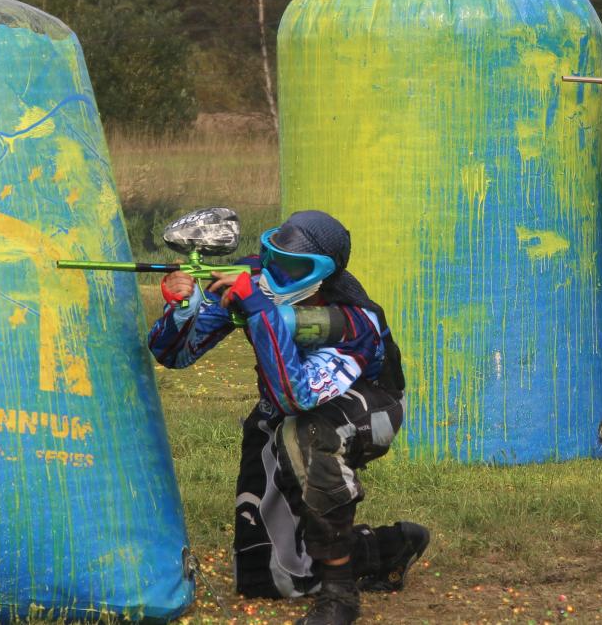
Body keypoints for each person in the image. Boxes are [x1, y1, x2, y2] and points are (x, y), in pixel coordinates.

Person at [147, 210, 429, 625]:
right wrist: (184, 305)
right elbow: (173, 354)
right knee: (270, 577)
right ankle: (387, 547)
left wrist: (258, 309)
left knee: (309, 434)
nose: (276, 271)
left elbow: (296, 396)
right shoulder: (256, 281)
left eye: (292, 266)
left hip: (370, 408)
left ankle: (340, 596)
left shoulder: (353, 321)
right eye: (273, 257)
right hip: (287, 409)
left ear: (322, 273)